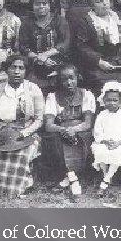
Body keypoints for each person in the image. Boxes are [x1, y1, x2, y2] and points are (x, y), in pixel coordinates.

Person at [0, 54, 44, 197]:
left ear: (25, 71)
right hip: (0, 133)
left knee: (23, 152)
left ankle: (19, 184)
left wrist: (23, 133)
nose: (17, 72)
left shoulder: (34, 90)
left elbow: (39, 120)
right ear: (6, 70)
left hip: (25, 133)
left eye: (21, 68)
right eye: (13, 67)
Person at [73, 0, 121, 98]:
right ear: (92, 5)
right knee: (106, 84)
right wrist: (98, 61)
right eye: (100, 1)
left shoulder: (118, 17)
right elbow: (82, 47)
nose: (105, 3)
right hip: (101, 66)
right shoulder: (86, 22)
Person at [42, 63, 96, 200]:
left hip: (80, 130)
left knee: (84, 137)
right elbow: (49, 125)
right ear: (59, 81)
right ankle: (69, 176)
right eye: (64, 79)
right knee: (53, 138)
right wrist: (63, 129)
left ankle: (74, 175)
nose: (69, 82)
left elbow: (88, 123)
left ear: (78, 77)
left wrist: (74, 129)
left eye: (72, 78)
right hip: (62, 131)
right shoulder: (52, 97)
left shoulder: (86, 94)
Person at [18, 0, 71, 94]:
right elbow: (23, 47)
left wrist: (46, 55)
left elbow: (65, 43)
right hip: (35, 66)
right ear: (32, 5)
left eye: (44, 3)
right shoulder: (26, 23)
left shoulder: (59, 21)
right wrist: (40, 59)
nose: (41, 6)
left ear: (50, 4)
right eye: (37, 3)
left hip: (58, 64)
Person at [91, 81, 121, 197]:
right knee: (100, 151)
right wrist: (105, 141)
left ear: (120, 101)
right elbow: (97, 132)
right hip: (105, 142)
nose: (111, 103)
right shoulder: (101, 115)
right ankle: (107, 175)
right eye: (108, 100)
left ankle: (105, 181)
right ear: (103, 100)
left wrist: (119, 142)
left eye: (115, 100)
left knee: (119, 153)